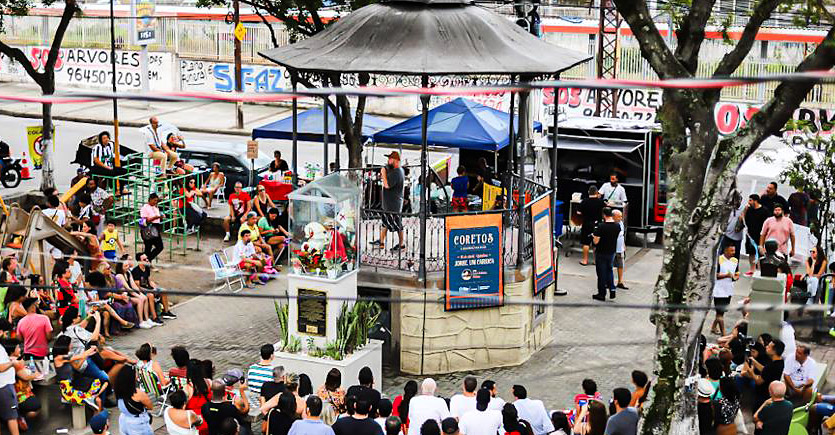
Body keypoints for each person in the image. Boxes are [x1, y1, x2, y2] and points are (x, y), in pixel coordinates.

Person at [372, 151, 405, 252]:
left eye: (390, 159)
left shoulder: (397, 172)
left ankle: (402, 245)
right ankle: (381, 242)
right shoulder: (395, 170)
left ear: (396, 160)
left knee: (397, 224)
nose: (388, 161)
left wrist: (383, 173)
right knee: (385, 222)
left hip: (393, 203)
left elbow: (387, 185)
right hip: (389, 202)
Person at [741, 339, 785, 410]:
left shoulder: (772, 366)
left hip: (763, 395)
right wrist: (754, 361)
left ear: (774, 351)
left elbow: (759, 381)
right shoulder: (780, 361)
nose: (766, 347)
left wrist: (751, 372)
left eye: (769, 347)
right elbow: (765, 370)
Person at [781, 323, 817, 405]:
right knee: (781, 385)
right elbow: (786, 375)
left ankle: (804, 406)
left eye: (799, 353)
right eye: (796, 352)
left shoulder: (812, 363)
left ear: (806, 355)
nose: (796, 354)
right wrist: (794, 388)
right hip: (790, 385)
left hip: (803, 388)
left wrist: (803, 388)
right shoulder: (790, 357)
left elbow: (811, 380)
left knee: (809, 390)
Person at [132, 252, 176, 321]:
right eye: (144, 259)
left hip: (148, 288)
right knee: (150, 295)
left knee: (163, 291)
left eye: (147, 258)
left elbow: (149, 280)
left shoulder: (146, 268)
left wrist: (154, 288)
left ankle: (166, 312)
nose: (147, 260)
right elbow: (138, 287)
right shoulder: (136, 271)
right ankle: (154, 317)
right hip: (142, 291)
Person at [115, 364, 154, 435]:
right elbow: (150, 407)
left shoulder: (117, 389)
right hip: (138, 424)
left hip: (124, 420)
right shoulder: (138, 393)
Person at [592, 208, 620, 301]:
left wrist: (593, 236)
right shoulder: (617, 226)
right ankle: (612, 288)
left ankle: (601, 293)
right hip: (611, 251)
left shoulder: (601, 226)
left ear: (604, 215)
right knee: (609, 270)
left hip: (601, 252)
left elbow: (596, 241)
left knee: (601, 273)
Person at [711, 243, 739, 336]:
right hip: (719, 290)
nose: (734, 253)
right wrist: (726, 275)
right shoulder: (719, 260)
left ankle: (713, 328)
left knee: (721, 312)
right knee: (720, 314)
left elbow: (737, 273)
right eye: (731, 251)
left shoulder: (735, 261)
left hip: (728, 290)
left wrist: (736, 277)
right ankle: (724, 333)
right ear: (725, 251)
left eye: (734, 250)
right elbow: (715, 275)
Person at [743, 194, 771, 276]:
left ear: (755, 201)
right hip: (750, 234)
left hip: (761, 235)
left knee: (761, 252)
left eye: (750, 200)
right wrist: (745, 210)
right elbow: (743, 219)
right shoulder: (749, 210)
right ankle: (752, 269)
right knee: (751, 252)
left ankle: (760, 270)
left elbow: (767, 223)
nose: (749, 202)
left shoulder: (764, 210)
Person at [578, 186, 605, 267]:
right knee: (596, 243)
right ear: (596, 193)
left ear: (588, 192)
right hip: (597, 224)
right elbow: (606, 209)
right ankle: (596, 261)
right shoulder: (600, 202)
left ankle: (585, 260)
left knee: (585, 243)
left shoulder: (584, 201)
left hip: (586, 223)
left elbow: (578, 212)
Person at [140, 193, 165, 262]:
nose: (155, 202)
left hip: (156, 227)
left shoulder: (155, 207)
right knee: (149, 247)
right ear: (150, 199)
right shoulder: (144, 208)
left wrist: (160, 217)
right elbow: (144, 220)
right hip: (149, 228)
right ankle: (147, 261)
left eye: (156, 201)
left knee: (158, 247)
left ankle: (147, 260)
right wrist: (155, 217)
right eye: (154, 200)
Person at [721, 194, 744, 261]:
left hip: (737, 237)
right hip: (727, 235)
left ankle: (735, 270)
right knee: (723, 253)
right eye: (734, 200)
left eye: (737, 200)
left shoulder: (744, 210)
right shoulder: (729, 208)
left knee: (735, 255)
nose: (735, 202)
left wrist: (742, 219)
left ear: (741, 201)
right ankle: (720, 269)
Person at [613, 209, 628, 290]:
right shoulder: (611, 224)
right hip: (612, 248)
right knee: (610, 266)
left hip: (620, 248)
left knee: (620, 265)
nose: (621, 218)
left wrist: (623, 245)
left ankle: (620, 281)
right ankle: (608, 282)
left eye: (621, 216)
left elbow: (622, 235)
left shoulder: (621, 223)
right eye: (619, 217)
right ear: (613, 217)